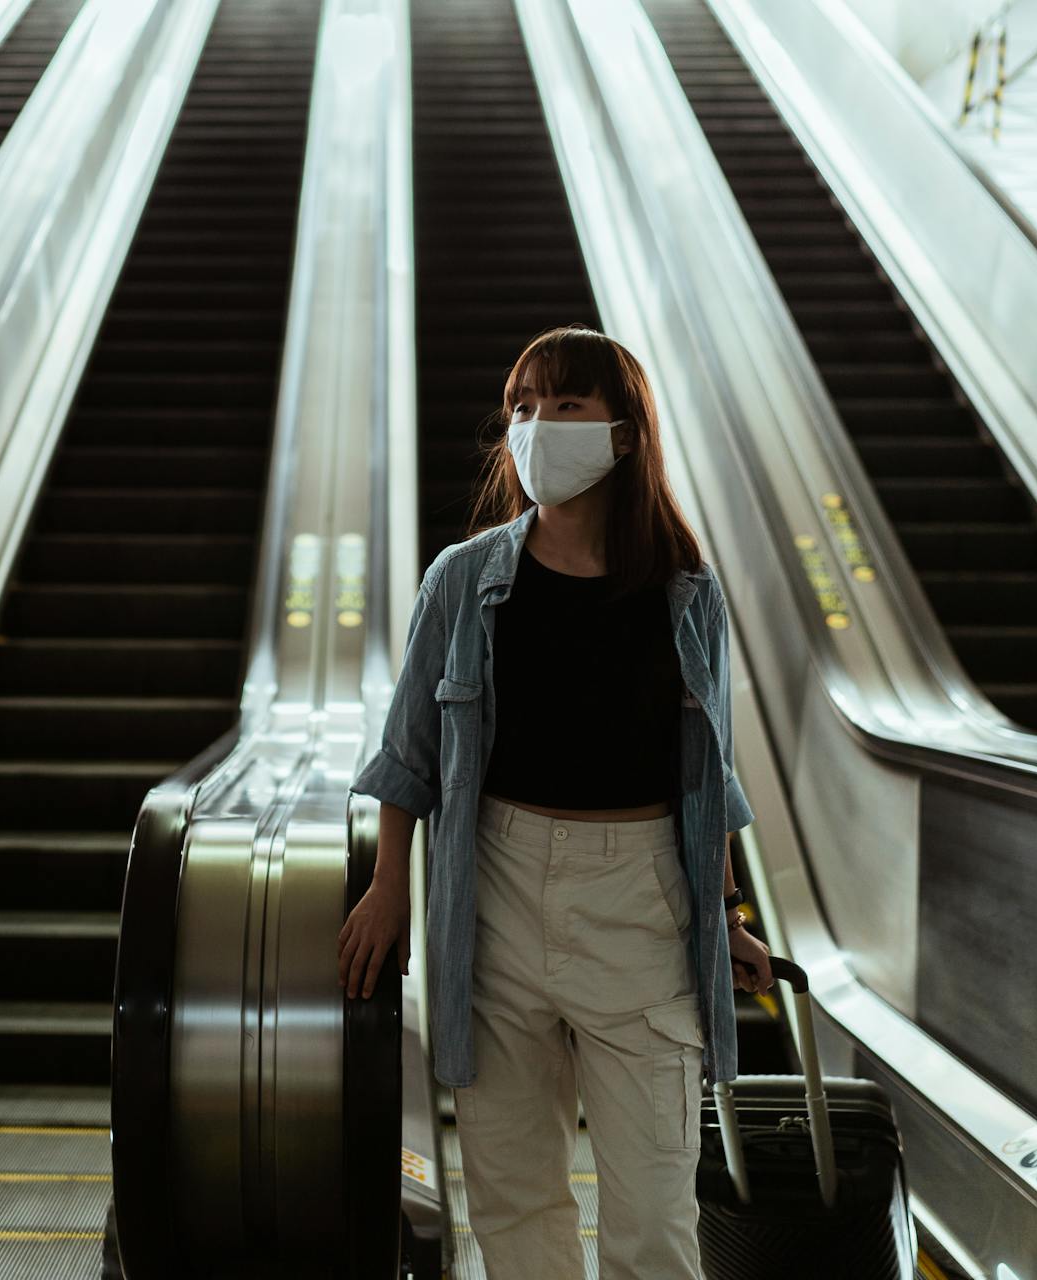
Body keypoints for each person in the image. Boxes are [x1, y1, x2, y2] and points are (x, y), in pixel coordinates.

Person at [340, 326, 773, 1280]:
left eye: (565, 406)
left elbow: (709, 771)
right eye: (522, 409)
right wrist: (387, 886)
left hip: (643, 899)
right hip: (494, 889)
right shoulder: (463, 580)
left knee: (655, 1210)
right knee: (516, 1199)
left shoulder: (685, 593)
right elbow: (410, 749)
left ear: (622, 434)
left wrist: (728, 914)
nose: (537, 426)